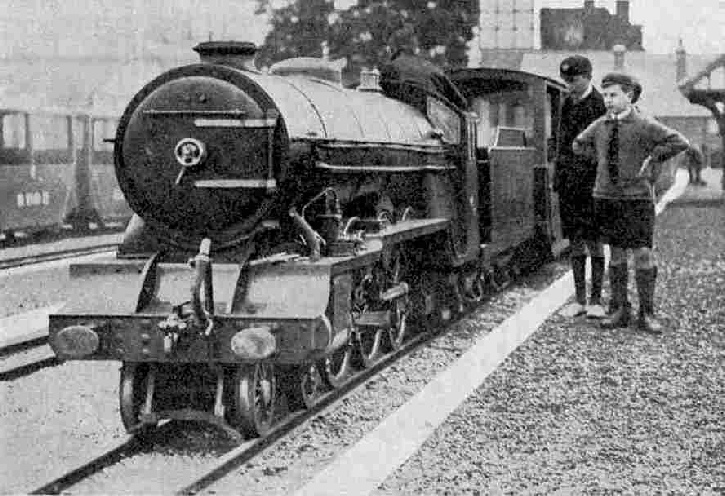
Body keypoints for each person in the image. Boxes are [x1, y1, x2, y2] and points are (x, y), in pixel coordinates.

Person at [573, 72, 689, 334]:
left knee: (642, 253)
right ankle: (619, 309)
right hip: (606, 197)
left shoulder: (645, 124)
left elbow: (680, 141)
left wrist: (653, 158)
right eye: (605, 95)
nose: (608, 100)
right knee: (615, 252)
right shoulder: (600, 125)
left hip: (636, 198)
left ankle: (646, 313)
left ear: (630, 96)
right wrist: (600, 161)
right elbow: (578, 144)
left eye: (613, 95)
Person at [554, 55, 608, 319]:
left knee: (595, 242)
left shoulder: (600, 105)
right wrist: (559, 179)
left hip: (592, 184)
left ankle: (596, 301)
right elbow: (562, 145)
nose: (569, 85)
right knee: (575, 241)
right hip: (570, 184)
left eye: (573, 80)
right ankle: (579, 300)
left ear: (587, 76)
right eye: (566, 80)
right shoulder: (566, 104)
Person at [379, 24, 467, 112]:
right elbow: (461, 103)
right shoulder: (433, 68)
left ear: (392, 48)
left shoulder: (389, 68)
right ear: (413, 46)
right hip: (434, 119)